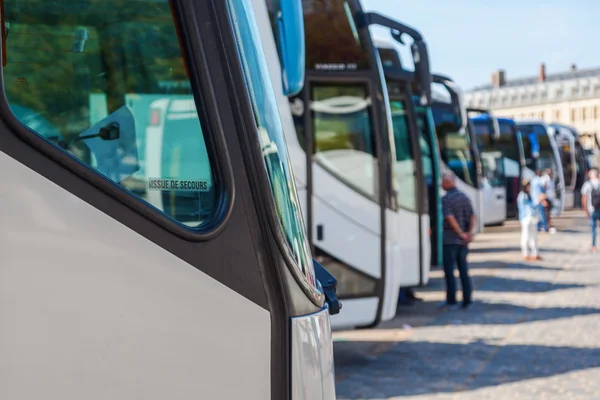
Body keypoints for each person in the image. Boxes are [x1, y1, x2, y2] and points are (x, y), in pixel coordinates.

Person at [440, 171, 476, 310]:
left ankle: (452, 299)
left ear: (449, 182)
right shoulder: (465, 197)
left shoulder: (446, 199)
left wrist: (460, 233)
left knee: (449, 271)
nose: (441, 184)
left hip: (451, 240)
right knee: (463, 270)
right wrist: (468, 233)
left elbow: (449, 218)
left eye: (443, 181)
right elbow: (473, 216)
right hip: (463, 241)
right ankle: (467, 299)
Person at [517, 179, 541, 261]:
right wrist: (538, 201)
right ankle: (526, 253)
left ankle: (535, 253)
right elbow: (529, 207)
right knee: (526, 236)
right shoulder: (522, 196)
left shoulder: (528, 194)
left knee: (533, 236)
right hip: (526, 218)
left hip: (532, 218)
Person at [581, 167, 600, 253]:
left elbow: (584, 199)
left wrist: (586, 211)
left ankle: (593, 246)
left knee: (593, 229)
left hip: (591, 209)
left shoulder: (587, 184)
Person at [540, 168, 557, 234]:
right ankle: (546, 225)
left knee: (548, 212)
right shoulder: (545, 179)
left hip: (550, 197)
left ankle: (548, 224)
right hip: (546, 197)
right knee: (546, 212)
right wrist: (544, 197)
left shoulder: (551, 179)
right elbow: (543, 187)